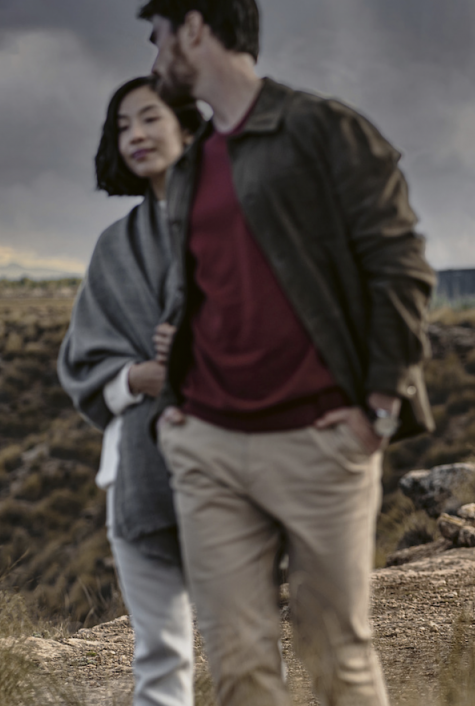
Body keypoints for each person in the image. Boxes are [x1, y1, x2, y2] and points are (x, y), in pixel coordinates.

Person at [136, 1, 436, 705]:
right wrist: (176, 406)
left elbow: (400, 267)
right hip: (207, 446)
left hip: (318, 442)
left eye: (159, 37)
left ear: (195, 28)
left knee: (336, 658)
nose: (154, 59)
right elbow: (201, 291)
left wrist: (381, 407)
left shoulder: (324, 130)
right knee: (238, 668)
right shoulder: (191, 167)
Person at [58, 76, 203, 706]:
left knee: (243, 643)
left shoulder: (234, 227)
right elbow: (82, 355)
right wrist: (133, 377)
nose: (135, 135)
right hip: (138, 473)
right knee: (159, 656)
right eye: (122, 126)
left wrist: (197, 354)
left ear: (188, 130)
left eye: (149, 118)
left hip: (228, 460)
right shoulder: (113, 246)